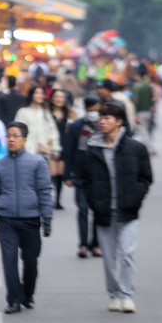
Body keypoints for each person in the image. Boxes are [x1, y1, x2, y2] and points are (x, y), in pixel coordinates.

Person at [81, 103, 153, 313]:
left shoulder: (136, 148)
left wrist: (135, 197)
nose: (102, 122)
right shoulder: (92, 148)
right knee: (108, 257)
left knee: (127, 253)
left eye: (108, 118)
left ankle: (127, 295)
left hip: (128, 211)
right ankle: (114, 294)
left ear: (119, 122)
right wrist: (93, 200)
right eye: (101, 118)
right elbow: (85, 180)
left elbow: (146, 178)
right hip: (103, 211)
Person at [0, 121, 53, 314]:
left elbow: (45, 191)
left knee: (30, 261)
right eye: (8, 135)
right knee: (9, 260)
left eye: (15, 136)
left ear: (25, 140)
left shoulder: (37, 163)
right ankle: (13, 299)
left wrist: (47, 219)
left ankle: (27, 294)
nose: (11, 139)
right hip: (6, 220)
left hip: (31, 220)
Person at [63, 96, 102, 258]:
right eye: (91, 110)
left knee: (98, 211)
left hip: (100, 176)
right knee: (83, 210)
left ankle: (96, 245)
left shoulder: (104, 126)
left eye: (96, 110)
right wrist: (67, 174)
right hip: (80, 175)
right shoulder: (76, 127)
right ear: (86, 109)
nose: (94, 113)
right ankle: (83, 245)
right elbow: (69, 151)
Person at [48, 89, 77, 209]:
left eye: (62, 97)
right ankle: (47, 198)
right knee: (49, 174)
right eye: (57, 96)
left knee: (60, 174)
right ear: (52, 98)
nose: (59, 99)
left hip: (65, 146)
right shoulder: (46, 113)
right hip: (50, 146)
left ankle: (57, 200)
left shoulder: (71, 115)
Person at [15, 86, 61, 161]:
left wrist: (55, 149)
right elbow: (17, 131)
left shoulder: (46, 113)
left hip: (43, 153)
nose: (40, 95)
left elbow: (53, 132)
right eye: (37, 93)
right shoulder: (22, 112)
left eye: (42, 93)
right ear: (31, 94)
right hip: (26, 153)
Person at [131, 69, 155, 155]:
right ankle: (144, 148)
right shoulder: (147, 85)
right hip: (148, 111)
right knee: (144, 130)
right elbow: (151, 98)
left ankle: (150, 149)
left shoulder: (137, 86)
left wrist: (134, 112)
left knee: (142, 131)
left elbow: (136, 101)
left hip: (140, 112)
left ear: (137, 76)